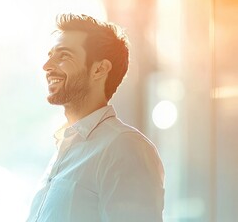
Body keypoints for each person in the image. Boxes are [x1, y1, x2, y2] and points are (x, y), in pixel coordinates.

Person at [26, 14, 165, 222]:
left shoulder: (124, 148)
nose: (47, 65)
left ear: (99, 69)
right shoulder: (66, 146)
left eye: (63, 56)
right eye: (50, 55)